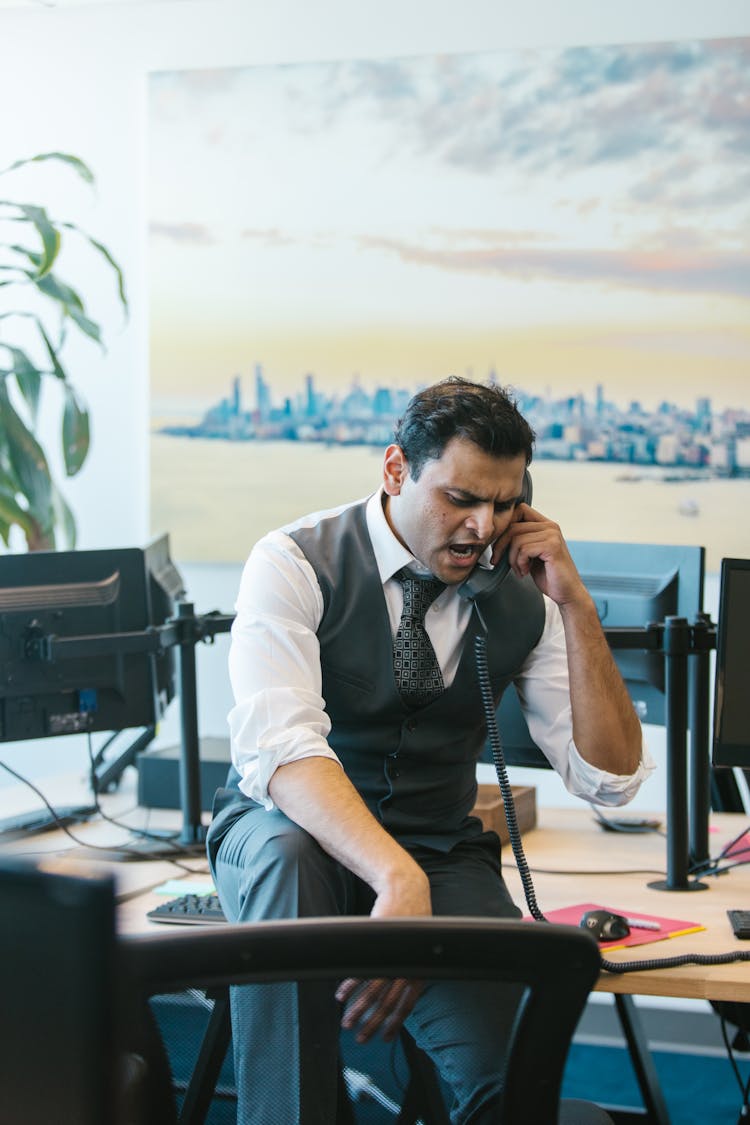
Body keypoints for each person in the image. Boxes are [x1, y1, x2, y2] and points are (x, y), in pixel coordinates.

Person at [207, 376, 653, 1124]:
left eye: (506, 503)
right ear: (395, 470)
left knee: (511, 1082)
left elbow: (609, 781)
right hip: (290, 836)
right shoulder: (291, 561)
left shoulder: (522, 600)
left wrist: (574, 605)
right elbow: (282, 750)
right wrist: (393, 874)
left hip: (439, 846)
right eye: (461, 498)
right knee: (290, 863)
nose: (483, 526)